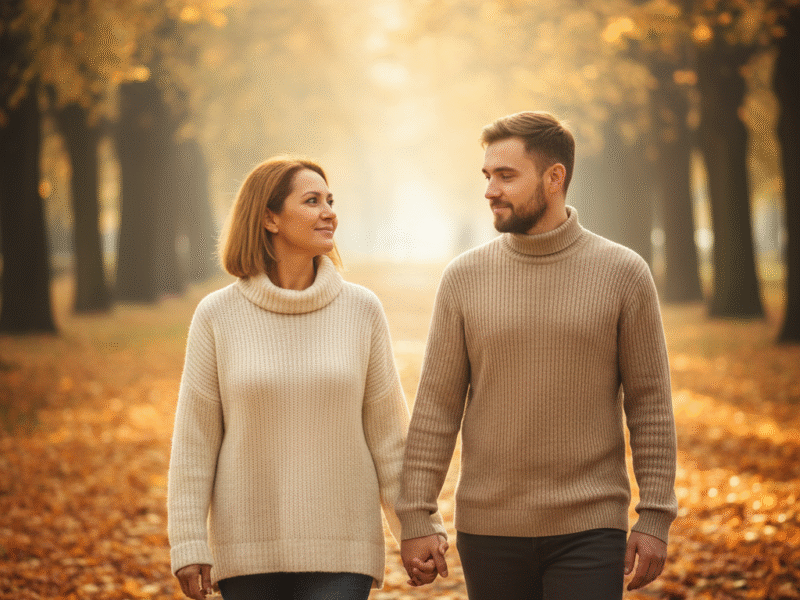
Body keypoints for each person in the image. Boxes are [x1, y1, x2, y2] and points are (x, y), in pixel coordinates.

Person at [396, 111, 678, 599]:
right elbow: (436, 408)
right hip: (489, 529)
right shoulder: (464, 278)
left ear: (554, 178)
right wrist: (417, 513)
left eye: (506, 176)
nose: (490, 190)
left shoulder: (623, 272)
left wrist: (654, 516)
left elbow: (650, 404)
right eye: (487, 176)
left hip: (591, 527)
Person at [167, 155, 444, 600]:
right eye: (312, 201)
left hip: (343, 549)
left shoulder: (361, 310)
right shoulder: (217, 316)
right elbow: (194, 442)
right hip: (247, 551)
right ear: (269, 218)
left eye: (330, 200)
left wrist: (417, 527)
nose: (329, 211)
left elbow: (390, 436)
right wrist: (188, 540)